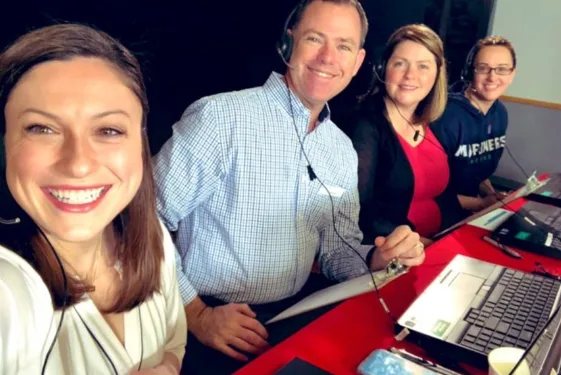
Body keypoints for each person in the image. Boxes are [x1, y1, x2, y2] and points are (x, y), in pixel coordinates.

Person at [153, 0, 424, 374]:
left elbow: (336, 252)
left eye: (343, 46)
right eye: (316, 39)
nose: (328, 57)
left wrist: (377, 260)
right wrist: (195, 313)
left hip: (293, 318)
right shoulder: (220, 118)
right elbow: (140, 221)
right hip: (207, 322)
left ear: (358, 62)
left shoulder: (341, 149)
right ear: (288, 43)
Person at [0, 24, 186, 375]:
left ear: (140, 143)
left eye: (109, 130)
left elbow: (174, 338)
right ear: (6, 143)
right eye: (41, 128)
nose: (78, 164)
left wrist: (168, 366)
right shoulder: (8, 292)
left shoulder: (153, 237)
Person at [341, 24, 464, 246]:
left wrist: (462, 231)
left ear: (437, 74)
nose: (410, 75)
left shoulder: (432, 121)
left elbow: (444, 195)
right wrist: (424, 245)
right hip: (398, 254)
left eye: (423, 66)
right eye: (400, 64)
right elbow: (360, 212)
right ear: (383, 68)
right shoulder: (365, 126)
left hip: (440, 242)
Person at [432, 36, 517, 212]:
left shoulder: (500, 113)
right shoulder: (446, 115)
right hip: (439, 213)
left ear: (512, 74)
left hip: (470, 207)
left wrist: (493, 197)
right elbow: (428, 191)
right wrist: (481, 204)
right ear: (470, 72)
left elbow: (477, 174)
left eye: (502, 69)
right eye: (483, 68)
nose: (492, 77)